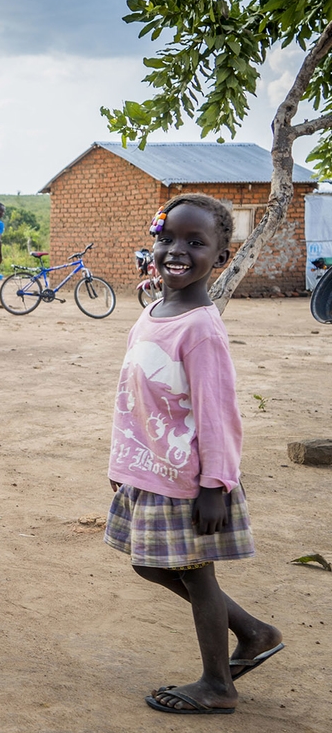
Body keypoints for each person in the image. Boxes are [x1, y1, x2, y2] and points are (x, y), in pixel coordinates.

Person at [106, 194, 283, 715]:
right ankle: (252, 631)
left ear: (221, 257)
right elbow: (138, 389)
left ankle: (218, 685)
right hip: (150, 467)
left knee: (196, 572)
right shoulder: (160, 306)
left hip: (187, 476)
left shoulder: (202, 329)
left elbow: (218, 412)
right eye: (166, 239)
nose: (175, 250)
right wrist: (126, 463)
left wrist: (216, 484)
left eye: (194, 242)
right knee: (151, 564)